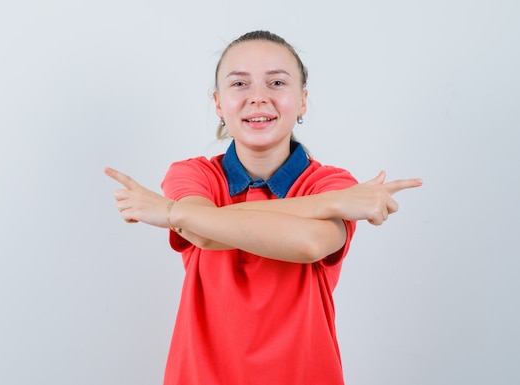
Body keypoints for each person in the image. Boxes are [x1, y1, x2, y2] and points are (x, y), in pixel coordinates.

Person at [105, 30, 422, 385]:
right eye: (240, 84)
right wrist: (331, 205)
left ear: (302, 101)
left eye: (276, 83)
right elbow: (203, 233)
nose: (258, 97)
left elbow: (308, 244)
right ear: (218, 103)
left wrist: (169, 213)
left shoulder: (331, 182)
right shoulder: (194, 174)